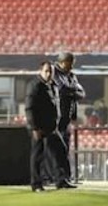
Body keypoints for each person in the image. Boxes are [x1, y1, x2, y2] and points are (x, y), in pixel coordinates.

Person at [25, 61, 71, 191]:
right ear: (40, 71)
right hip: (39, 127)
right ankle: (36, 184)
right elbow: (29, 108)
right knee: (38, 155)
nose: (49, 74)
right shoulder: (35, 86)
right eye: (46, 71)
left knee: (60, 151)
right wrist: (34, 128)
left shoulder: (52, 85)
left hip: (51, 126)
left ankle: (61, 180)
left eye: (51, 71)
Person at [52, 52, 85, 187]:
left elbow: (82, 94)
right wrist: (74, 90)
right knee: (59, 148)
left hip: (67, 117)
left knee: (65, 148)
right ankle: (58, 177)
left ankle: (65, 177)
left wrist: (72, 92)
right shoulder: (54, 73)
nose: (71, 66)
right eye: (69, 63)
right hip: (57, 117)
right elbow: (62, 89)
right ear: (62, 62)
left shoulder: (71, 75)